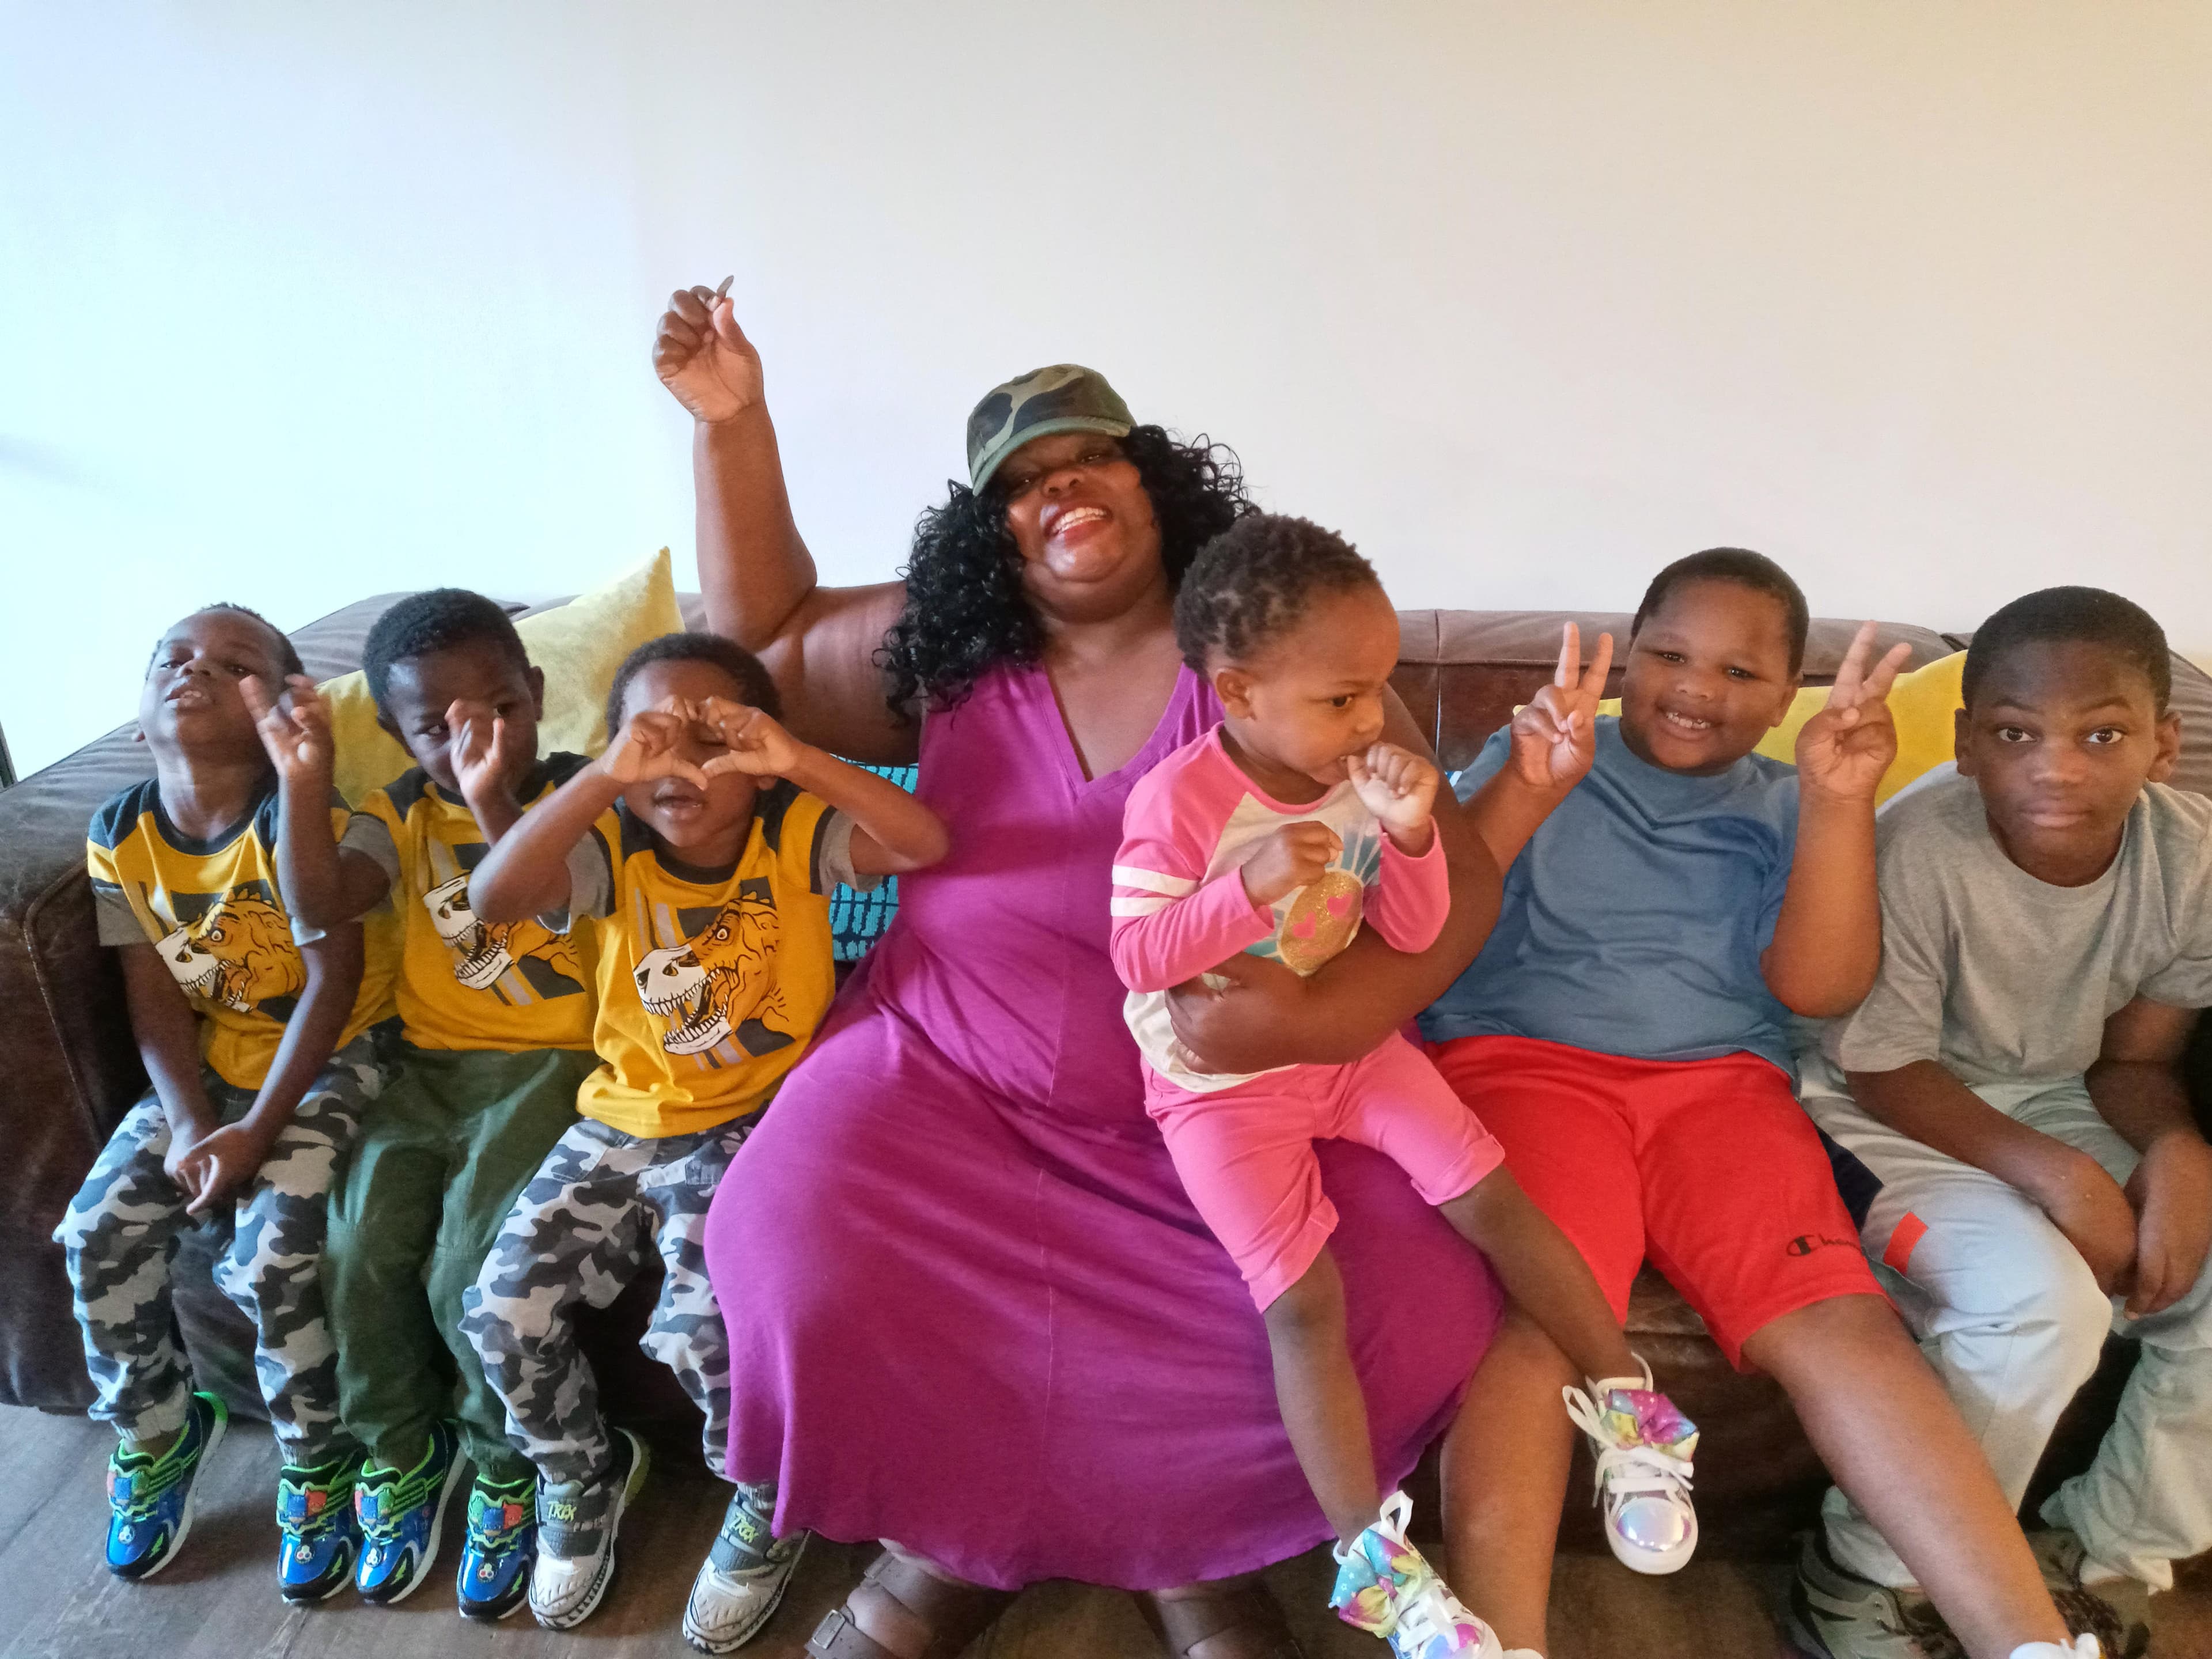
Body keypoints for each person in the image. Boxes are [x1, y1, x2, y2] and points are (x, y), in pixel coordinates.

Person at [652, 283, 1585, 1659]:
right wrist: (736, 425)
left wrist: (1315, 1020)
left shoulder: (1284, 666)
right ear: (995, 528)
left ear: (1154, 482)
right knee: (792, 1235)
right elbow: (772, 646)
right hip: (944, 1084)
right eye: (1024, 481)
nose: (1063, 488)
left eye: (1091, 456)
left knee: (1411, 1287)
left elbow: (1445, 895)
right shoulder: (945, 653)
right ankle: (945, 1559)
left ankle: (1185, 1560)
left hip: (1226, 1107)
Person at [1415, 549, 2100, 1659]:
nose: (1697, 688)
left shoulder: (1795, 797)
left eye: (1742, 671)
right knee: (1545, 1323)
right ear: (1628, 655)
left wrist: (1837, 803)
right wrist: (1528, 785)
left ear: (1791, 696)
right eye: (1670, 656)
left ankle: (2027, 1643)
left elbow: (1819, 991)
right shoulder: (1540, 752)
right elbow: (1429, 925)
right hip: (1521, 1064)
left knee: (1837, 1320)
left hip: (1723, 1089)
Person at [1110, 513, 1698, 1656]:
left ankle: (1634, 1410)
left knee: (1496, 1200)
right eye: (1343, 697)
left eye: (1380, 688)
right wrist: (1251, 890)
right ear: (1237, 691)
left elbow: (1416, 934)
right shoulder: (1178, 803)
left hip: (1354, 1056)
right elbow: (1138, 960)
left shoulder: (1364, 777)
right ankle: (1373, 1565)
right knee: (1304, 1306)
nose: (1372, 719)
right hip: (1217, 1091)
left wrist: (1415, 833)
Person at [459, 631, 946, 1651]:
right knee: (499, 1306)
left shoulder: (792, 832)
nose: (681, 768)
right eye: (652, 741)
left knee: (710, 1329)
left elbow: (923, 844)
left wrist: (797, 760)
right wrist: (602, 778)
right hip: (616, 1120)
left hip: (752, 1117)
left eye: (712, 740)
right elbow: (495, 900)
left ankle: (766, 1504)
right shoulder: (608, 849)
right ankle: (578, 1474)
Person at [1798, 586, 2212, 1659]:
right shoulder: (1919, 845)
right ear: (1970, 743)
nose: (2059, 768)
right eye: (2018, 735)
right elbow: (1882, 1064)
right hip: (1879, 1107)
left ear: (2164, 745)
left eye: (2103, 734)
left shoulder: (2191, 859)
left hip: (2055, 1096)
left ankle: (2107, 1555)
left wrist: (2175, 1152)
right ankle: (1865, 1575)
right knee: (2039, 1306)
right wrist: (2061, 1179)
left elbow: (2135, 1060)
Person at [244, 588, 601, 1615]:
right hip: (425, 1069)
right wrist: (304, 786)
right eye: (435, 728)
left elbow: (556, 890)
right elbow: (319, 907)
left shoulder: (584, 790)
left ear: (535, 694)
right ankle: (398, 1451)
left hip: (550, 1064)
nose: (472, 738)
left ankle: (502, 1461)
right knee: (354, 1252)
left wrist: (495, 802)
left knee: (463, 1269)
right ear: (398, 736)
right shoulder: (395, 809)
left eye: (497, 708)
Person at [55, 604, 391, 1597]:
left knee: (276, 1250)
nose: (195, 670)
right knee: (94, 1230)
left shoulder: (331, 814)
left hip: (336, 1054)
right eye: (176, 657)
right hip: (214, 1070)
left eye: (233, 663)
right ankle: (158, 1429)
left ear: (286, 703)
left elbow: (332, 984)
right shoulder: (118, 834)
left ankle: (318, 1456)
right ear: (142, 703)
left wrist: (255, 1130)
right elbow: (153, 999)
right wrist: (197, 1121)